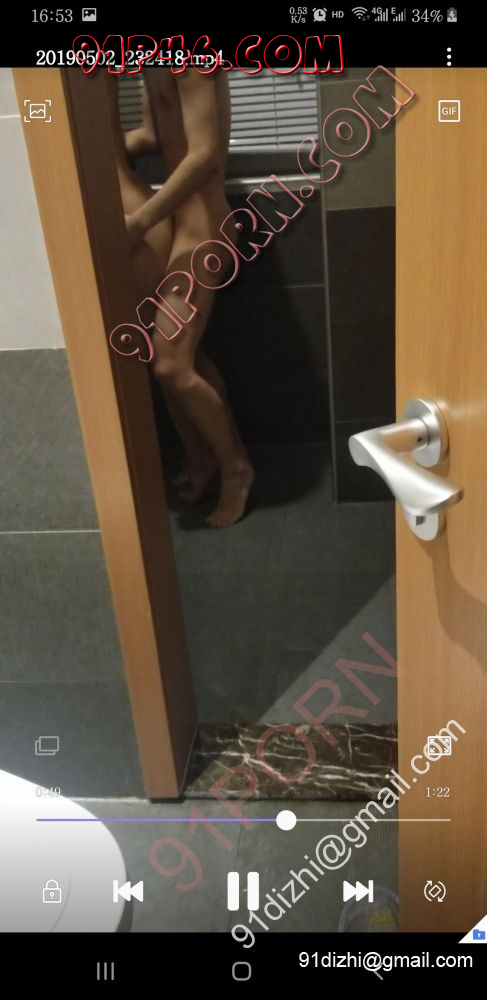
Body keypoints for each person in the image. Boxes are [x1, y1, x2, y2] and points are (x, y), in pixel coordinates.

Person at [107, 67, 254, 527]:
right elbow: (153, 134)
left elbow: (205, 156)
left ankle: (236, 469)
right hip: (180, 229)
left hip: (205, 231)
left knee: (171, 364)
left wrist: (141, 220)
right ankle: (203, 458)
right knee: (177, 354)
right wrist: (93, 146)